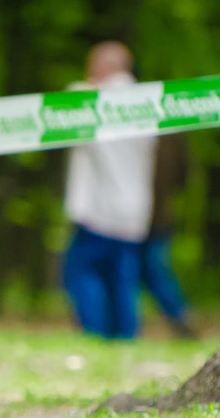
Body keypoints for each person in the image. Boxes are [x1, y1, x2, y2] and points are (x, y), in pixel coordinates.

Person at [62, 41, 157, 339]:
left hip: (98, 210)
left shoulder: (92, 99)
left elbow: (70, 98)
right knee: (124, 283)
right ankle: (126, 337)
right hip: (135, 210)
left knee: (81, 274)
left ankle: (95, 333)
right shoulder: (148, 104)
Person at [142, 133, 197, 339]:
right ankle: (180, 317)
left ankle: (180, 317)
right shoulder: (173, 133)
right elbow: (184, 177)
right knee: (155, 272)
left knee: (151, 272)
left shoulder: (136, 131)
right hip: (160, 215)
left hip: (144, 217)